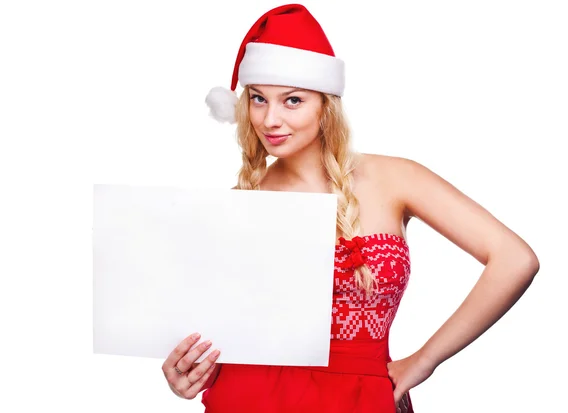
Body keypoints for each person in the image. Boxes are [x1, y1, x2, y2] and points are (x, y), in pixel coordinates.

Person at [161, 4, 540, 412]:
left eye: (292, 100)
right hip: (251, 396)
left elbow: (515, 259)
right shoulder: (238, 204)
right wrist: (187, 372)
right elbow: (218, 330)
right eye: (258, 99)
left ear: (326, 104)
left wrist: (424, 361)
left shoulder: (396, 178)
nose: (270, 119)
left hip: (363, 397)